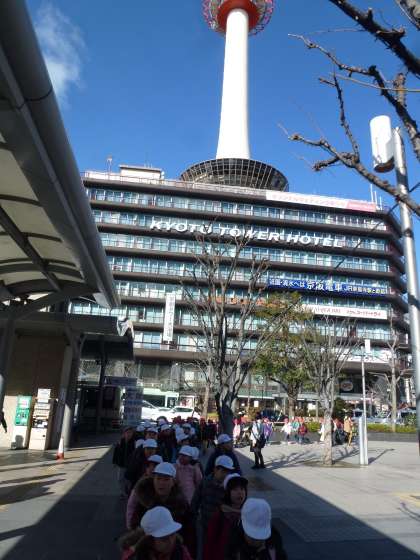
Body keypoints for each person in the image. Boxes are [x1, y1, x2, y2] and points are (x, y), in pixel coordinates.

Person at [119, 506, 192, 560]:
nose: (171, 541)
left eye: (172, 535)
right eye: (164, 538)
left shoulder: (181, 551)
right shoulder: (134, 556)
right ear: (149, 540)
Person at [204, 473, 248, 560]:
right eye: (235, 489)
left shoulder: (249, 513)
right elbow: (209, 543)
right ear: (228, 492)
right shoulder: (220, 515)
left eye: (242, 489)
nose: (240, 492)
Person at [191, 455, 235, 535]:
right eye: (223, 471)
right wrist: (193, 517)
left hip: (221, 527)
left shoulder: (230, 487)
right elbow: (195, 500)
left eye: (228, 472)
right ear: (215, 469)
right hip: (204, 524)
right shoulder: (205, 482)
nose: (225, 475)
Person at [113, 427, 136, 498]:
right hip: (121, 464)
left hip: (130, 465)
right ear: (124, 433)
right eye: (127, 432)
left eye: (130, 433)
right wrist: (115, 462)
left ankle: (128, 492)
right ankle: (123, 493)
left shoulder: (134, 442)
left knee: (129, 480)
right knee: (120, 479)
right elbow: (116, 452)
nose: (129, 434)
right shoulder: (120, 442)